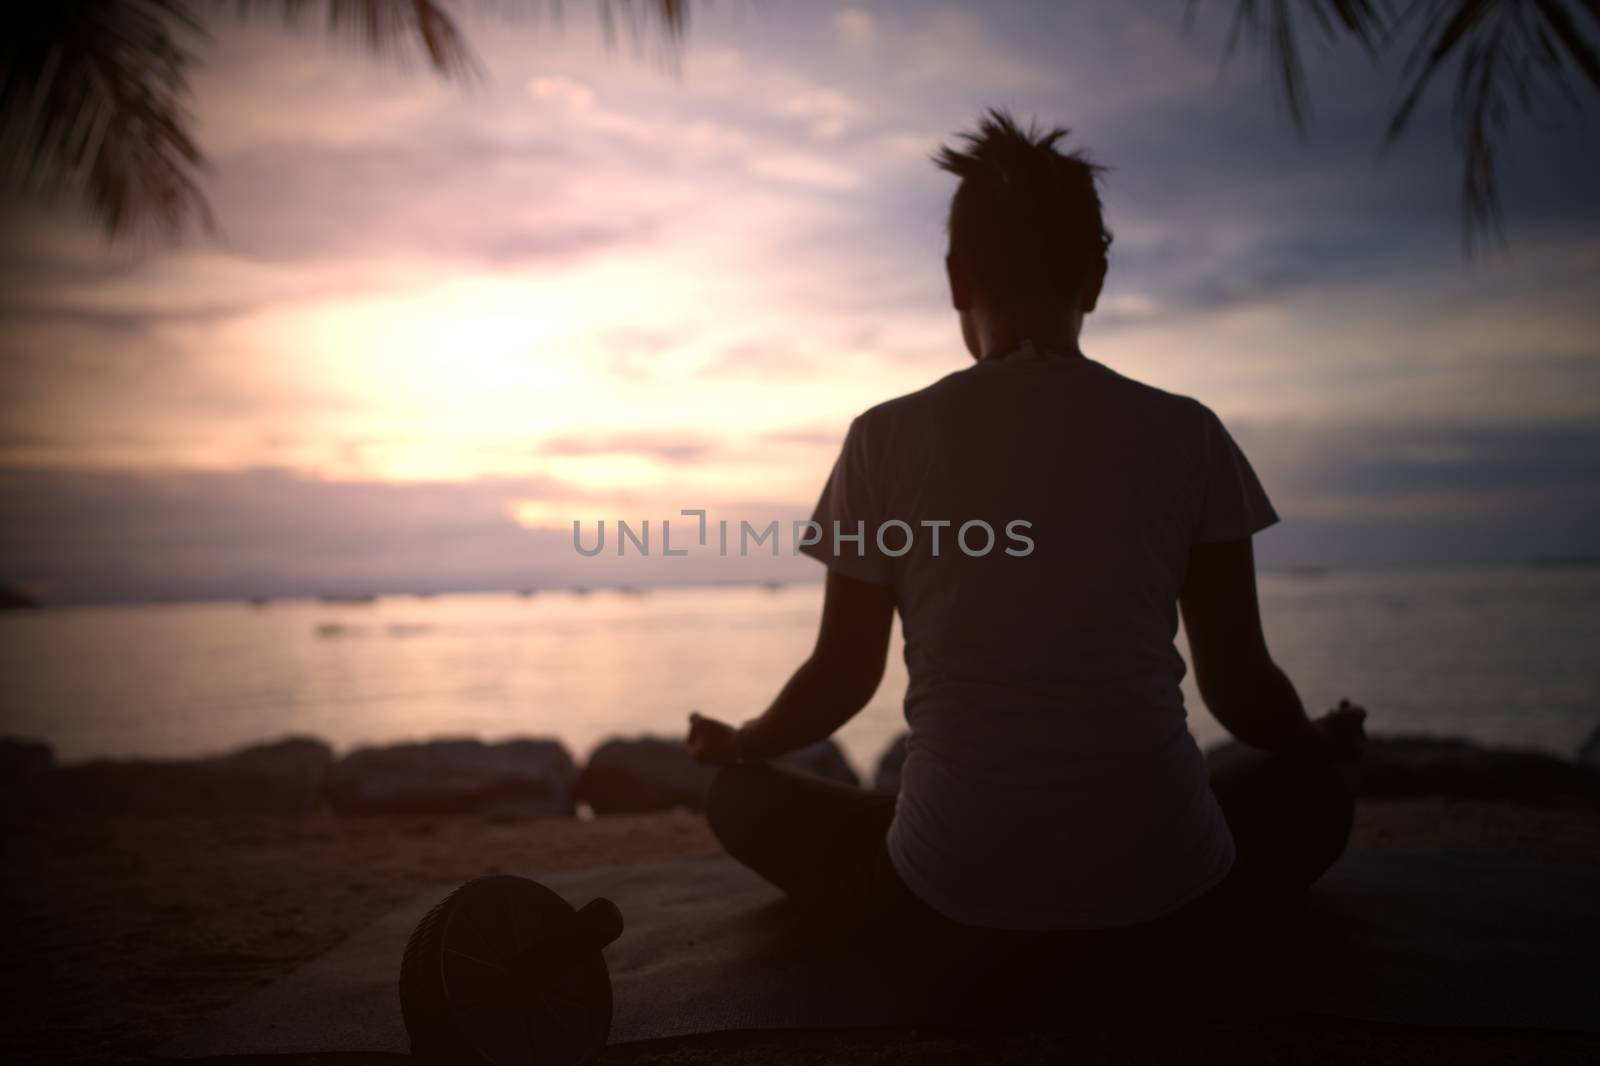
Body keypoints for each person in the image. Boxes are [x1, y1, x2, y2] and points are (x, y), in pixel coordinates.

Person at [685, 109, 1366, 1024]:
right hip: (1172, 907)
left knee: (742, 799)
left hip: (945, 910)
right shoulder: (1187, 432)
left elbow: (843, 677)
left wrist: (746, 743)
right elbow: (1241, 689)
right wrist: (1318, 744)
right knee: (1312, 785)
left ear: (955, 279)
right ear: (1096, 275)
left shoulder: (884, 439)